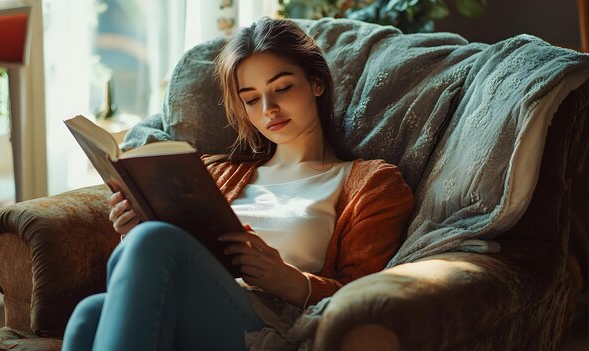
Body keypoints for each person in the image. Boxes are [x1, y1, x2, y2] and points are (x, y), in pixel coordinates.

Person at [62, 17, 414, 351]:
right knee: (88, 313)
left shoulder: (372, 183)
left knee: (152, 242)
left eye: (283, 88)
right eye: (250, 98)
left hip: (269, 324)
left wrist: (289, 280)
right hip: (198, 305)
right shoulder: (215, 172)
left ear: (316, 84)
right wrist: (134, 225)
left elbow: (369, 299)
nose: (269, 108)